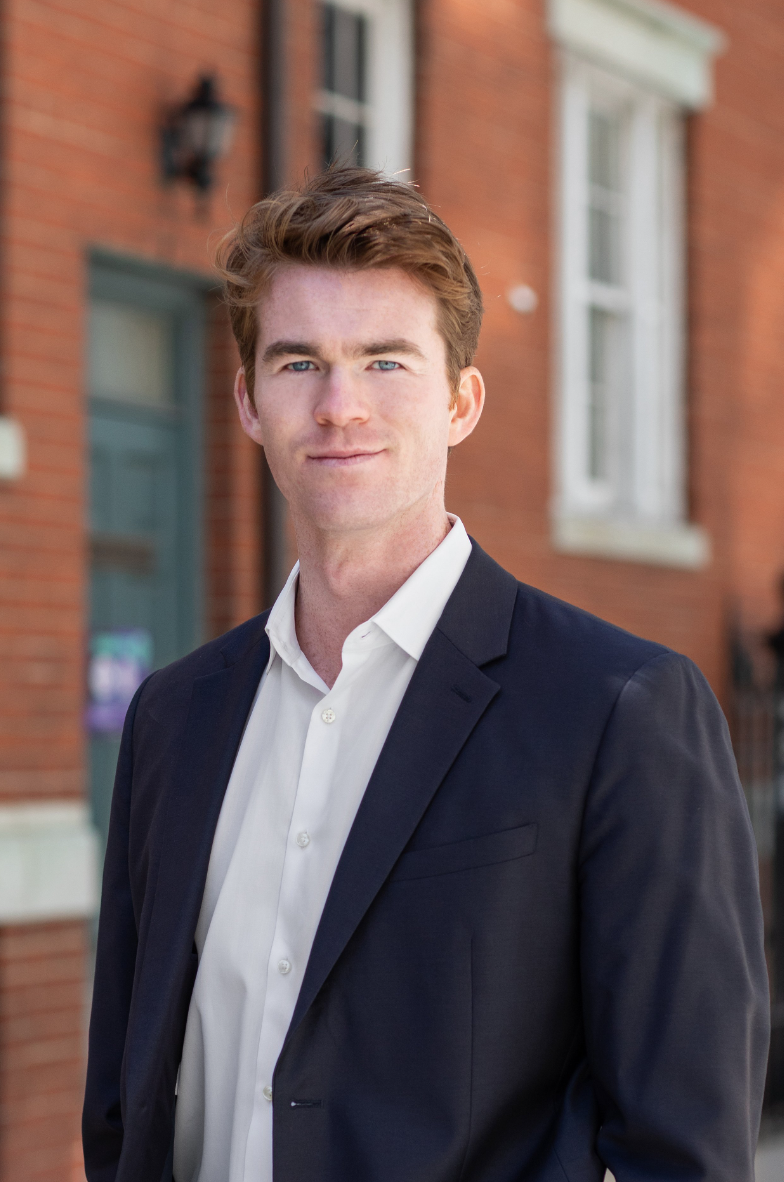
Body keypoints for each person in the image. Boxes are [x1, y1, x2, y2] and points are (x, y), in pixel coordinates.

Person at [82, 166, 769, 1182]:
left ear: (461, 401)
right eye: (299, 361)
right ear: (247, 401)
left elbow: (685, 1144)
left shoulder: (616, 710)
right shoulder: (174, 718)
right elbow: (124, 1101)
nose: (339, 405)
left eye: (386, 362)